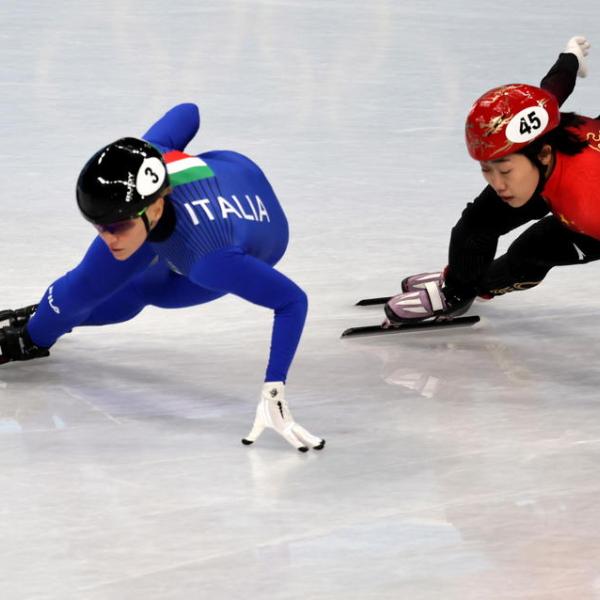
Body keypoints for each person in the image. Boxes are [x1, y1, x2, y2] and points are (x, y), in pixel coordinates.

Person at [0, 105, 325, 453]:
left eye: (117, 225)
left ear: (154, 207)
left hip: (259, 241)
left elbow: (292, 301)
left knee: (148, 289)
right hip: (230, 169)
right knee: (82, 288)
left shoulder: (209, 259)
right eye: (98, 226)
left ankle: (34, 336)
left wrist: (273, 389)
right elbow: (189, 112)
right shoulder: (152, 156)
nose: (108, 237)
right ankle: (45, 325)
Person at [384, 36, 595, 324]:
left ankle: (479, 285)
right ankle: (456, 287)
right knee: (476, 223)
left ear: (543, 154)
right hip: (554, 176)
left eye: (504, 171)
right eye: (487, 169)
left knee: (530, 251)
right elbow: (554, 87)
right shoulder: (539, 123)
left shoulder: (588, 204)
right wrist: (570, 57)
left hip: (588, 213)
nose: (497, 183)